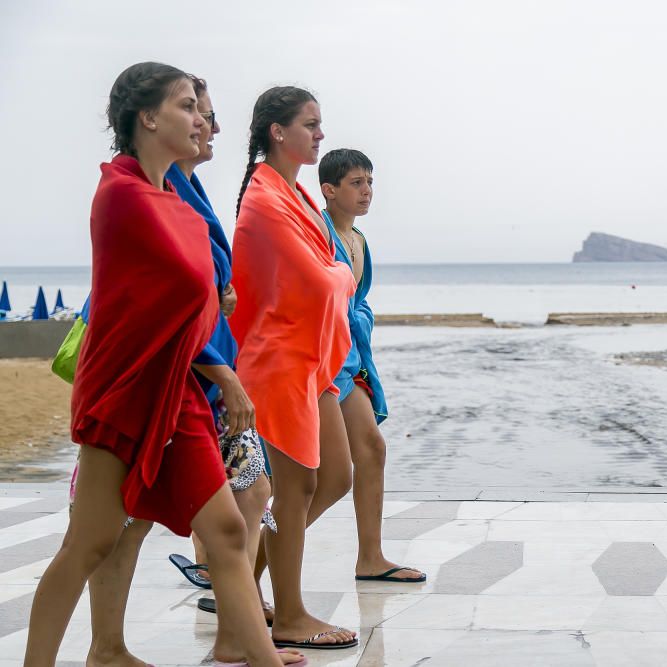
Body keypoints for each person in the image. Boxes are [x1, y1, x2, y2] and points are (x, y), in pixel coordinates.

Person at [24, 62, 282, 667]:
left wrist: (217, 348)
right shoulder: (120, 195)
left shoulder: (178, 202)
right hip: (124, 395)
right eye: (189, 106)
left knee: (227, 531)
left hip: (181, 394)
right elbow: (178, 299)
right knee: (88, 544)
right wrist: (225, 367)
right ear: (148, 117)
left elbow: (202, 297)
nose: (202, 119)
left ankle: (260, 659)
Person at [229, 87, 358, 649]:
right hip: (276, 359)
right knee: (295, 487)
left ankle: (236, 582)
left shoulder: (297, 194)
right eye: (311, 124)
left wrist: (332, 271)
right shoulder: (263, 196)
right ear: (278, 132)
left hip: (312, 360)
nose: (321, 134)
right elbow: (323, 278)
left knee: (335, 476)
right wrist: (338, 272)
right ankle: (289, 614)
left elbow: (327, 271)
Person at [318, 149, 424, 583]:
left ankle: (371, 557)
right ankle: (245, 568)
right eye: (356, 183)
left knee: (373, 451)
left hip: (351, 357)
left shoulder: (359, 241)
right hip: (321, 360)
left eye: (370, 182)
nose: (366, 191)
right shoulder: (317, 231)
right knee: (320, 478)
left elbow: (356, 301)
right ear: (329, 190)